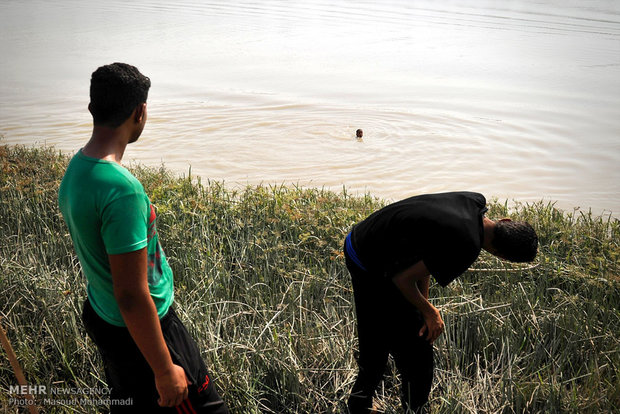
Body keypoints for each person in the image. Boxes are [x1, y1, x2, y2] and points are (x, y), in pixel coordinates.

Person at [58, 63, 229, 413]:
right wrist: (165, 370)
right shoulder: (121, 190)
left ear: (92, 108)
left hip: (104, 317)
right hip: (147, 333)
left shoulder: (77, 170)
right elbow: (132, 294)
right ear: (140, 113)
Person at [343, 191, 538, 413]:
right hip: (370, 263)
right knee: (416, 353)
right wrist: (430, 313)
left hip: (363, 239)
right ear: (501, 256)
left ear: (505, 221)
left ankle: (358, 404)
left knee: (382, 333)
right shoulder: (467, 245)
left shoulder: (474, 201)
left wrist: (422, 305)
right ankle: (413, 409)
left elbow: (423, 258)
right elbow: (403, 279)